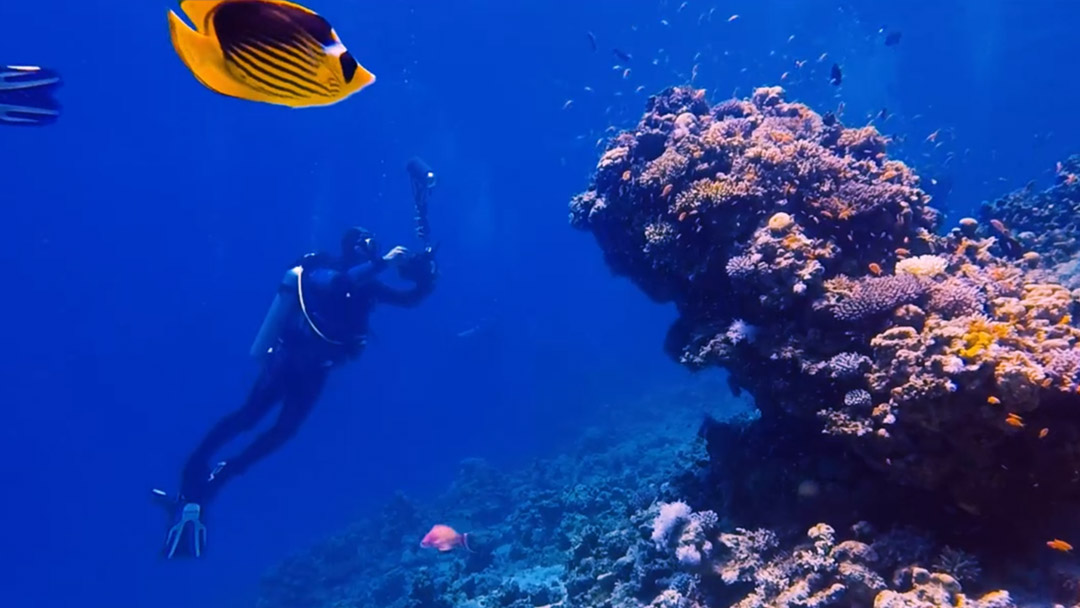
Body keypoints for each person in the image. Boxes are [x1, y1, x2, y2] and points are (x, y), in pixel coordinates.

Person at [155, 226, 437, 559]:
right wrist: (383, 263)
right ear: (351, 248)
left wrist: (426, 277)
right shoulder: (319, 267)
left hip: (316, 371)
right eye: (365, 244)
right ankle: (194, 469)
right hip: (287, 362)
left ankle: (221, 477)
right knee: (247, 418)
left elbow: (407, 300)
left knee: (284, 432)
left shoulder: (369, 285)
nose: (371, 247)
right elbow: (340, 283)